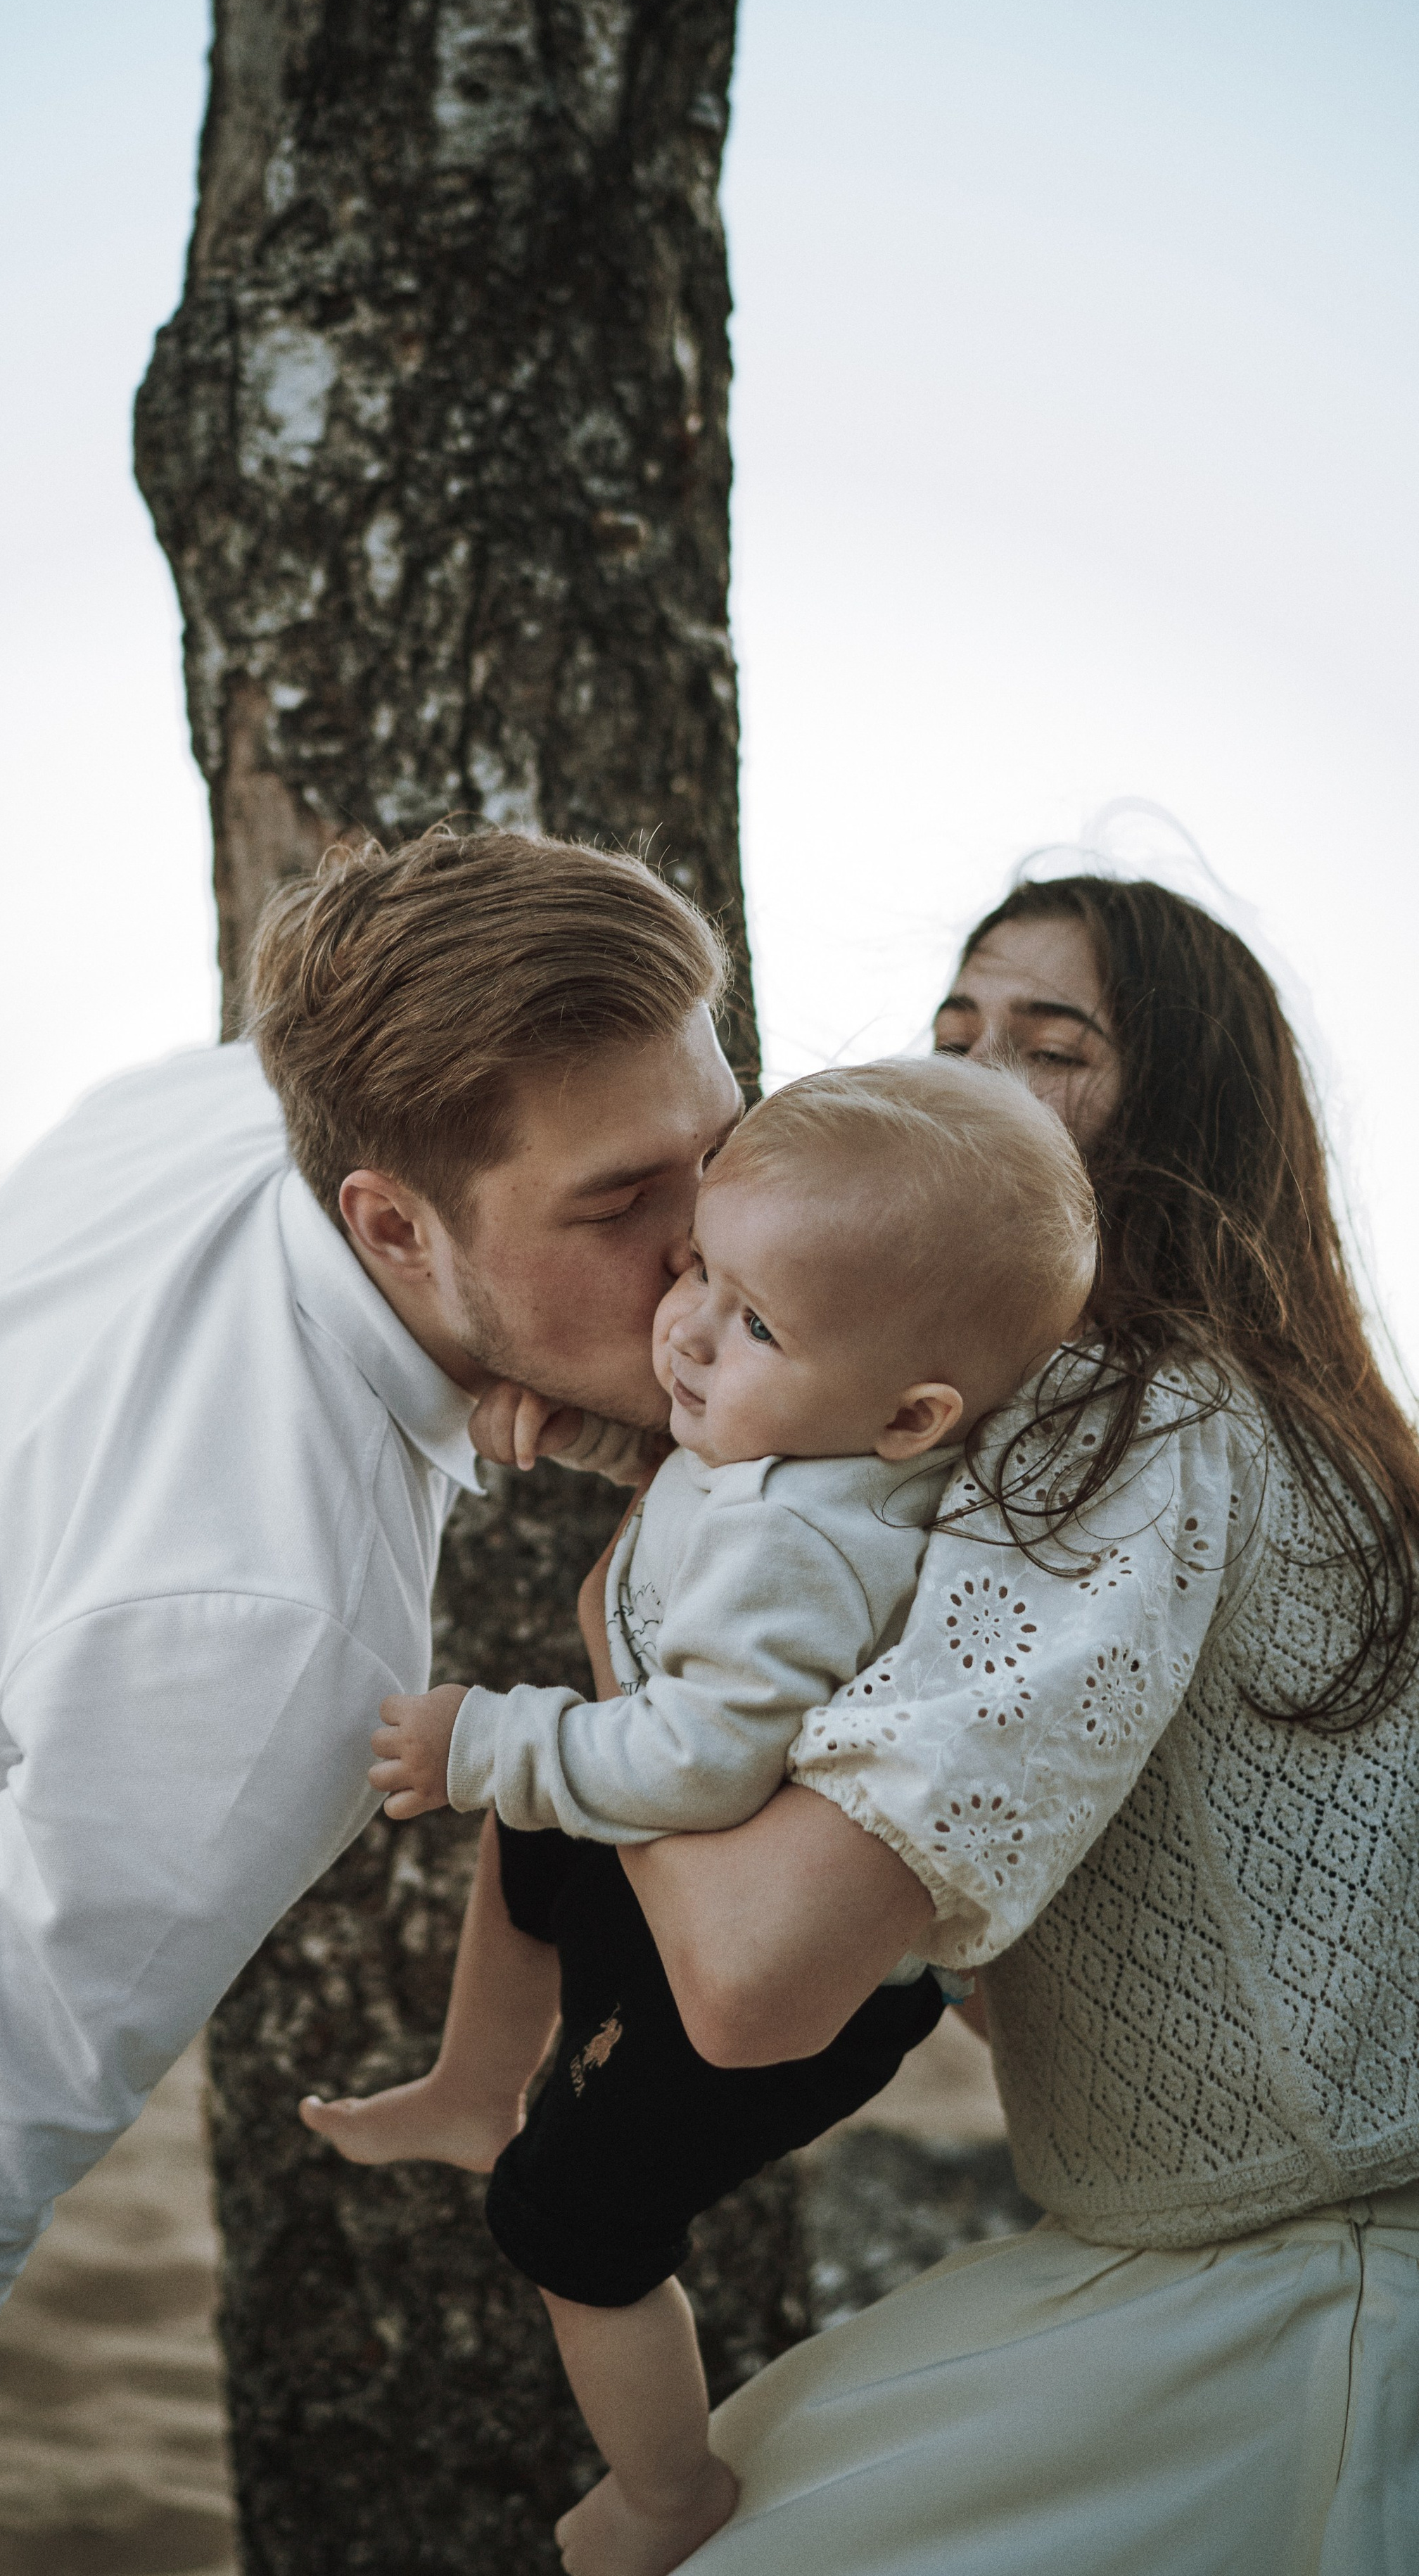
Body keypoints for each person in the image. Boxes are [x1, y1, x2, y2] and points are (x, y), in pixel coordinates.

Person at [0, 827, 746, 2572]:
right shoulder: (273, 1631)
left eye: (719, 1153)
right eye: (618, 1206)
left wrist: (647, 1425)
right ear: (388, 1219)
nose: (706, 1258)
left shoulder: (213, 1103)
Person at [589, 877, 1419, 2576]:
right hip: (1253, 2254)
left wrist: (622, 1601)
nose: (972, 1077)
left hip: (1281, 2314)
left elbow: (754, 1977)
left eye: (1052, 1051)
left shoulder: (1120, 1437)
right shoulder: (1285, 1429)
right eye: (953, 1029)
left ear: (1185, 1123)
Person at [304, 1055, 1097, 2576]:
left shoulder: (804, 1549)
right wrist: (612, 1443)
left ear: (910, 1414)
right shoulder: (798, 1439)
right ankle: (475, 2083)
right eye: (692, 1271)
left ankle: (668, 2491)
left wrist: (490, 1738)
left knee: (570, 2220)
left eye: (748, 1322)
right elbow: (698, 1483)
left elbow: (697, 1763)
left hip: (774, 1991)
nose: (682, 1325)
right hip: (682, 1879)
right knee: (540, 1841)